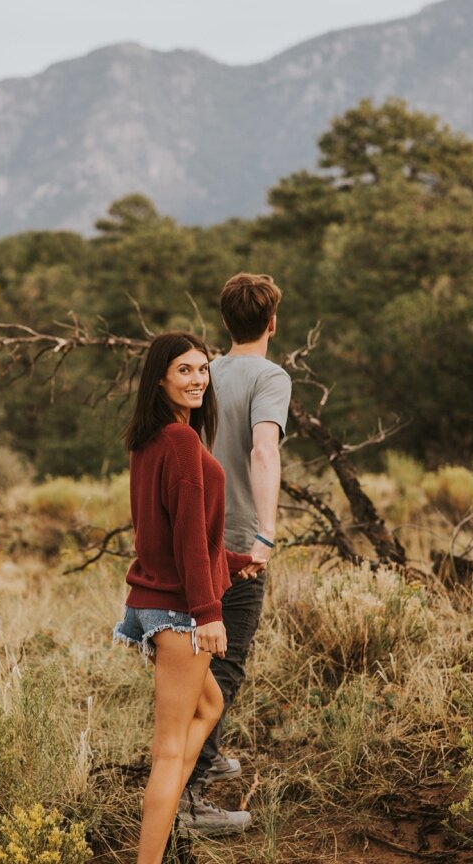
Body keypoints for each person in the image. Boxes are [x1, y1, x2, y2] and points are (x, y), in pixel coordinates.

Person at [112, 331, 260, 863]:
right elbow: (188, 537)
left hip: (158, 601)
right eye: (184, 370)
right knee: (170, 750)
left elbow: (179, 533)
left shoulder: (155, 438)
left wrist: (237, 564)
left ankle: (171, 818)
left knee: (211, 706)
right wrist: (209, 613)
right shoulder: (177, 442)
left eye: (202, 369)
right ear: (160, 379)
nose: (198, 379)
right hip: (178, 610)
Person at [179, 272, 290, 833]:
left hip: (197, 535)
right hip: (239, 540)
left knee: (206, 657)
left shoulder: (204, 372)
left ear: (226, 323)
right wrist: (264, 534)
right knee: (226, 665)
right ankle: (192, 796)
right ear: (272, 322)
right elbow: (263, 451)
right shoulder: (271, 376)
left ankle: (209, 753)